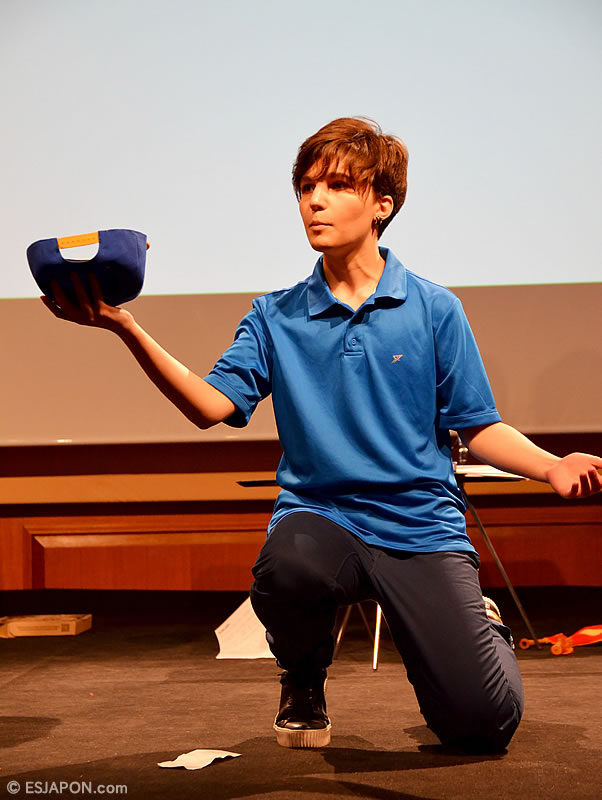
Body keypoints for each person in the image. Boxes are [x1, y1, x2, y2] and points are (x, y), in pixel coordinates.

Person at [42, 117, 602, 754]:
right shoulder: (274, 314)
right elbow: (210, 406)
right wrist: (125, 327)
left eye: (336, 186)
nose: (314, 200)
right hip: (322, 514)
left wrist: (551, 465)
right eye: (307, 187)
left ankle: (479, 622)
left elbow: (477, 426)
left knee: (482, 726)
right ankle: (303, 677)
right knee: (286, 568)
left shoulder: (433, 308)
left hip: (420, 523)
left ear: (382, 204)